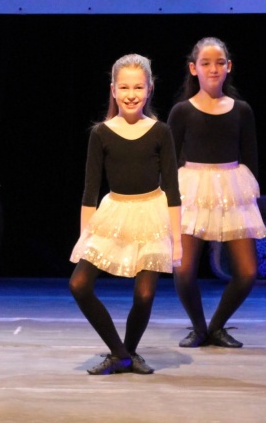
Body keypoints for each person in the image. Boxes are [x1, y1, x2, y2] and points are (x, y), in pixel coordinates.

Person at [69, 54, 182, 375]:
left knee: (144, 294)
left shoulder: (160, 131)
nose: (131, 94)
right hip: (113, 214)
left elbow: (173, 190)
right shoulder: (101, 133)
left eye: (138, 87)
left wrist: (177, 241)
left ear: (149, 89)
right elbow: (90, 191)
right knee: (79, 284)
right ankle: (120, 354)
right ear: (113, 90)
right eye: (124, 87)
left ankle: (127, 353)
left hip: (151, 214)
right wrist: (85, 237)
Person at [168, 37, 266, 349]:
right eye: (206, 63)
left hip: (231, 189)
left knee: (247, 272)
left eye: (220, 62)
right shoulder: (182, 111)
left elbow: (250, 158)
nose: (213, 69)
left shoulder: (242, 110)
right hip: (191, 189)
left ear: (229, 67)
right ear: (193, 68)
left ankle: (217, 327)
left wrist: (248, 196)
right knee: (184, 270)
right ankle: (199, 328)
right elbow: (169, 161)